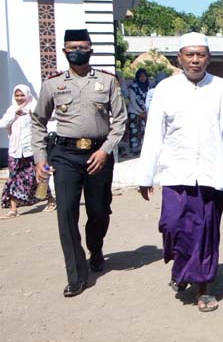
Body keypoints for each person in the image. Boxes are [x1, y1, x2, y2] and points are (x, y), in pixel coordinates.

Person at [137, 32, 223, 312]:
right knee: (171, 226)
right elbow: (154, 134)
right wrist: (146, 175)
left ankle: (203, 286)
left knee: (206, 231)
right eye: (189, 55)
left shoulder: (221, 88)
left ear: (208, 57)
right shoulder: (165, 89)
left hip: (212, 172)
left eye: (201, 54)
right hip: (175, 172)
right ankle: (182, 267)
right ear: (179, 57)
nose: (195, 60)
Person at [31, 28, 128, 297]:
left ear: (91, 50)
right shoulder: (52, 84)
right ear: (64, 51)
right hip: (65, 155)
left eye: (83, 47)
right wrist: (40, 158)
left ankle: (95, 249)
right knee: (66, 214)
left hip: (98, 154)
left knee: (98, 210)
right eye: (73, 47)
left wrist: (106, 150)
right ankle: (76, 274)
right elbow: (38, 121)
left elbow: (119, 120)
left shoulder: (108, 82)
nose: (78, 51)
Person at [1, 85, 55, 218]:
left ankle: (51, 200)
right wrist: (15, 115)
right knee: (13, 177)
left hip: (32, 149)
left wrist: (32, 114)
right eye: (17, 95)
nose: (19, 98)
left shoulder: (35, 106)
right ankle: (13, 210)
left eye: (22, 95)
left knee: (38, 176)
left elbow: (50, 116)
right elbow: (2, 124)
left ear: (27, 95)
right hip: (15, 150)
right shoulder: (12, 110)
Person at [126, 68, 150, 156]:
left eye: (144, 76)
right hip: (134, 112)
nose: (142, 78)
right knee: (134, 131)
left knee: (144, 131)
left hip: (144, 112)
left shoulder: (147, 87)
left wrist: (145, 111)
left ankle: (143, 150)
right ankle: (135, 150)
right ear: (137, 77)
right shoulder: (133, 87)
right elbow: (133, 100)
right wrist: (140, 111)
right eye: (141, 76)